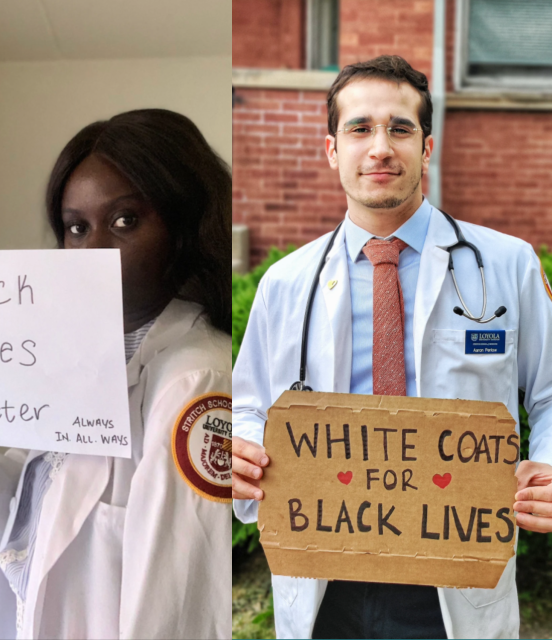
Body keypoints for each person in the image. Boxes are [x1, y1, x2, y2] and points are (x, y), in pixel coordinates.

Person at [227, 55, 552, 639]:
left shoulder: (508, 266)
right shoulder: (286, 283)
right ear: (332, 149)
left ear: (426, 148)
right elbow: (249, 405)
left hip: (451, 578)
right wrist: (245, 453)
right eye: (360, 128)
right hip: (324, 581)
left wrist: (549, 468)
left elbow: (551, 394)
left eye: (400, 128)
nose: (380, 147)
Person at [0, 109, 243, 638]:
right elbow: (26, 515)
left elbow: (178, 611)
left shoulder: (195, 380)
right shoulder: (81, 364)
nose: (92, 251)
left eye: (125, 221)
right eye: (77, 227)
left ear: (184, 227)